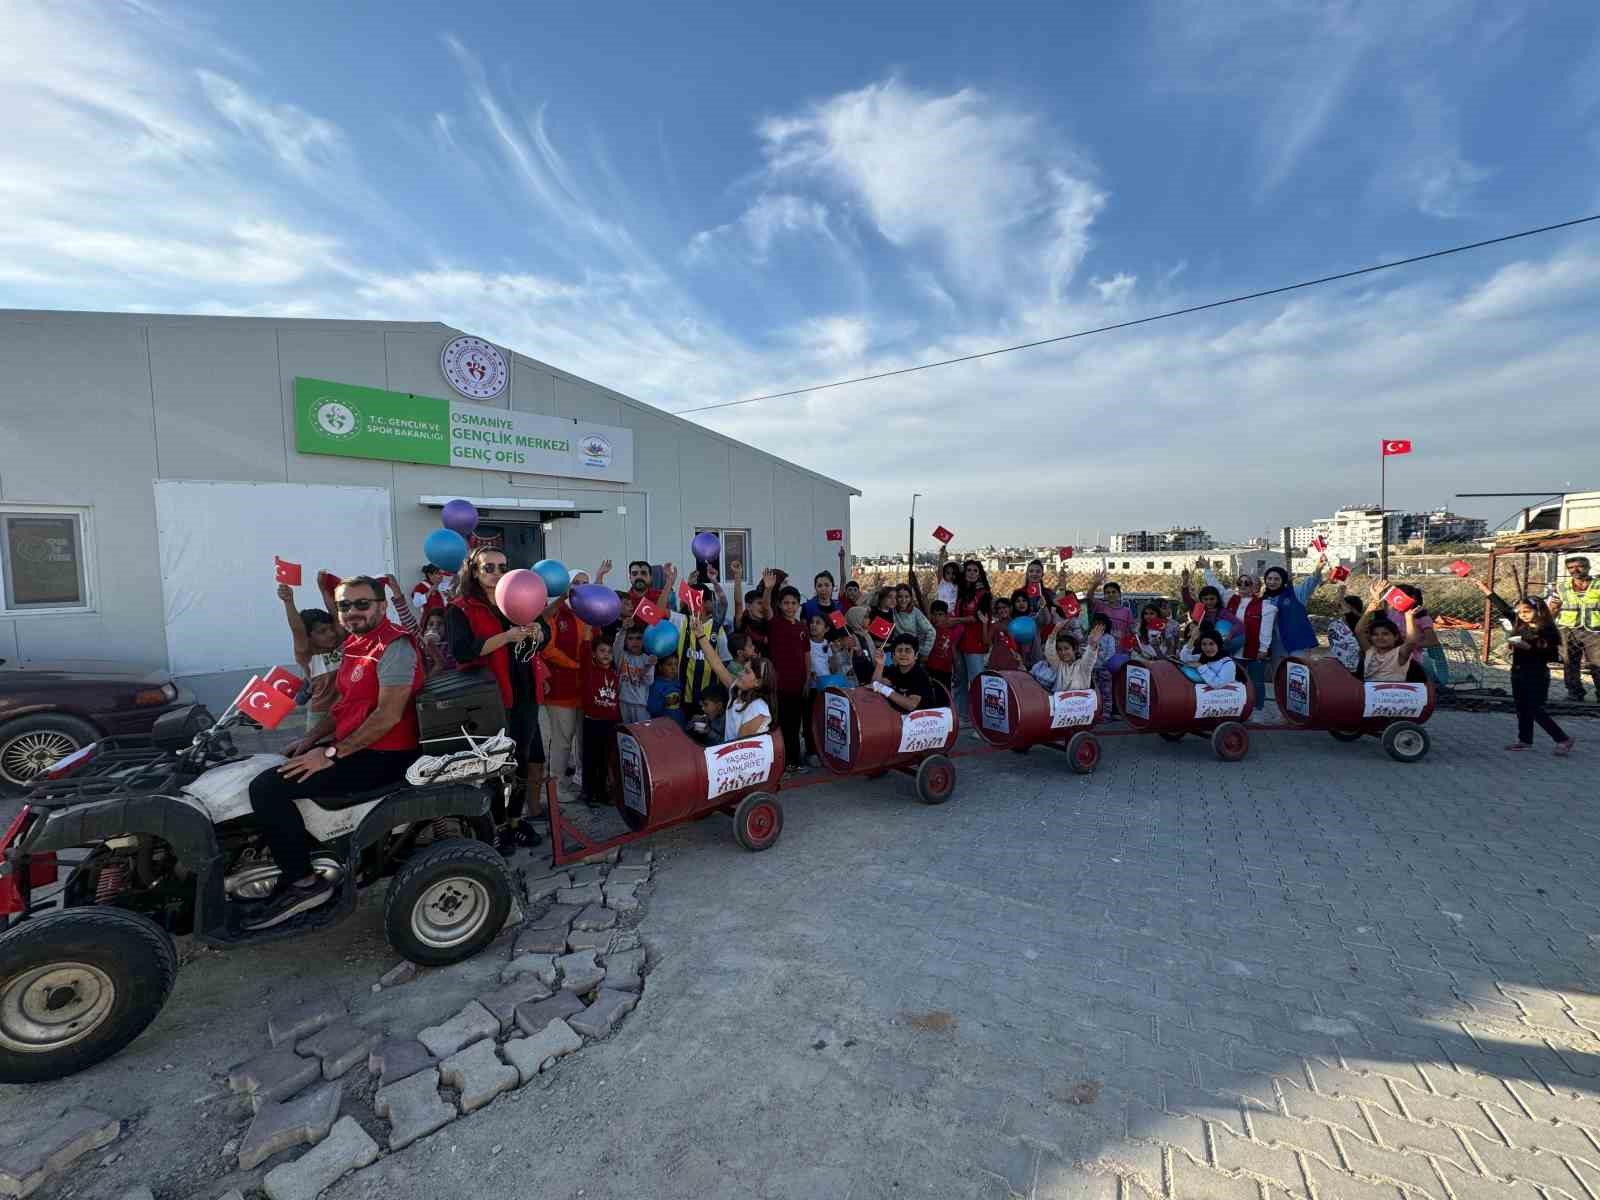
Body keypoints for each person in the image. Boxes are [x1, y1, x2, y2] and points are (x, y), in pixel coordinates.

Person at [246, 576, 423, 928]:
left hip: (384, 754)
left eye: (362, 604)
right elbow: (345, 706)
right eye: (344, 606)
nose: (352, 612)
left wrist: (329, 754)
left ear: (382, 606)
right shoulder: (357, 644)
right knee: (267, 769)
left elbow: (387, 715)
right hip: (356, 747)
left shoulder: (394, 647)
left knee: (267, 788)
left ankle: (304, 883)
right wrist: (311, 738)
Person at [446, 546, 544, 849]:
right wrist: (506, 637)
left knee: (522, 760)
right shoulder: (460, 608)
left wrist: (541, 633)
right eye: (489, 567)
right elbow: (462, 651)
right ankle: (498, 826)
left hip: (525, 692)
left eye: (503, 567)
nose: (497, 573)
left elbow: (543, 635)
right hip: (491, 698)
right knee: (494, 766)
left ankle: (515, 820)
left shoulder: (517, 597)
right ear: (474, 571)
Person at [1473, 577, 1575, 754]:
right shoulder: (1520, 624)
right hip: (1518, 671)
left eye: (1527, 611)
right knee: (1521, 707)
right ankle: (1524, 740)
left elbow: (1551, 655)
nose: (1523, 615)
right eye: (1520, 612)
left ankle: (1563, 739)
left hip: (1536, 673)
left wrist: (1529, 647)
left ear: (1538, 610)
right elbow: (1504, 608)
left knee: (1534, 707)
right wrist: (1485, 589)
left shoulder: (1547, 630)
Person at [754, 573, 810, 772]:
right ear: (780, 604)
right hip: (779, 686)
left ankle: (795, 760)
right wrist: (769, 588)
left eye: (793, 603)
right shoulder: (775, 623)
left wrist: (807, 680)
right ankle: (783, 762)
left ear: (798, 605)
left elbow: (806, 655)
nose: (790, 606)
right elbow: (765, 607)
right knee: (781, 724)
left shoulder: (803, 627)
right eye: (786, 603)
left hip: (799, 685)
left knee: (796, 725)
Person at [276, 582, 343, 732]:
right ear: (308, 637)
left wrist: (323, 588)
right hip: (321, 716)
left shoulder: (339, 644)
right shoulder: (307, 655)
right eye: (322, 631)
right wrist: (288, 601)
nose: (331, 633)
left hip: (348, 710)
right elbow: (297, 630)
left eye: (331, 629)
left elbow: (336, 615)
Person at [694, 624, 777, 742]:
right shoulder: (736, 692)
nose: (740, 673)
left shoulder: (757, 709)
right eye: (743, 669)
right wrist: (701, 635)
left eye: (746, 672)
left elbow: (738, 747)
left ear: (757, 682)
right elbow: (716, 663)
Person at [578, 638, 620, 806]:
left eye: (609, 652)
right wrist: (588, 632)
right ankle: (588, 793)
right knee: (590, 759)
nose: (606, 655)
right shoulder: (589, 670)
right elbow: (584, 650)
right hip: (592, 722)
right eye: (602, 651)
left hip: (609, 723)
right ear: (594, 654)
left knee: (604, 760)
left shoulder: (615, 675)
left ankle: (602, 792)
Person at [1354, 578, 1420, 682]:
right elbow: (1358, 631)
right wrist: (1369, 610)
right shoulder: (1370, 651)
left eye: (1385, 634)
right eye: (1375, 634)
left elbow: (1411, 641)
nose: (1380, 637)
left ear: (1396, 637)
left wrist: (1408, 616)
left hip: (1393, 694)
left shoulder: (1399, 654)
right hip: (1372, 694)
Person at [1555, 555, 1600, 701]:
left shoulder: (1598, 584)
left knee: (1597, 663)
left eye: (1579, 566)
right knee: (1570, 663)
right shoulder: (1561, 587)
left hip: (1594, 630)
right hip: (1568, 630)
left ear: (1588, 567)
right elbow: (1553, 606)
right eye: (1570, 567)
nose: (1575, 570)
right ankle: (1575, 693)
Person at [952, 560, 992, 718]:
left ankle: (981, 719)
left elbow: (978, 618)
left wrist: (955, 621)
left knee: (977, 682)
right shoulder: (961, 592)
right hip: (960, 642)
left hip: (975, 644)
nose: (971, 573)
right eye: (968, 570)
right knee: (960, 681)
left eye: (975, 570)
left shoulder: (984, 594)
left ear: (980, 573)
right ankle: (962, 716)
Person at [871, 634, 935, 712]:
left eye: (908, 650)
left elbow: (911, 705)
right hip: (898, 716)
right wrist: (880, 664)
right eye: (899, 650)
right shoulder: (895, 670)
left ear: (916, 655)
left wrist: (884, 689)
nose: (903, 654)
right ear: (893, 655)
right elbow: (875, 684)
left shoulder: (920, 674)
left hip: (922, 719)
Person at [614, 624, 655, 725]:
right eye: (630, 638)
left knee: (642, 734)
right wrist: (623, 630)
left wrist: (648, 666)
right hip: (623, 702)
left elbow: (649, 681)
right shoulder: (622, 656)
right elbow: (617, 645)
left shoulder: (647, 659)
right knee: (625, 733)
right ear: (625, 641)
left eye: (638, 638)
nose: (635, 642)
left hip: (640, 705)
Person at [1041, 625, 1100, 692]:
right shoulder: (1059, 665)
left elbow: (1090, 657)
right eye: (1060, 649)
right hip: (1060, 701)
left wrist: (1093, 645)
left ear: (1075, 649)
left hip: (1081, 701)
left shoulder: (1083, 665)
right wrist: (1054, 632)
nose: (1063, 652)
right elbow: (1049, 653)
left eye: (1066, 648)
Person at [892, 583, 936, 658]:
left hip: (911, 654)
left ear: (911, 598)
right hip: (896, 653)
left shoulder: (915, 612)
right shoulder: (891, 611)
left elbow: (931, 631)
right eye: (900, 596)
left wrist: (924, 651)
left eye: (907, 597)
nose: (903, 600)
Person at [925, 600, 957, 696]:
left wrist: (956, 669)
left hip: (946, 671)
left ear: (946, 616)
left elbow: (953, 650)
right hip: (929, 669)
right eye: (934, 614)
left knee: (944, 696)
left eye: (940, 614)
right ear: (930, 615)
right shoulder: (927, 630)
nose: (937, 618)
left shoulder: (951, 631)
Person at [1326, 595, 1363, 672]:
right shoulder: (1334, 625)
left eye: (1343, 607)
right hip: (1339, 669)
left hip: (1359, 669)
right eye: (1340, 607)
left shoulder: (1363, 625)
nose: (1342, 610)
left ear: (1354, 609)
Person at [646, 653, 684, 727]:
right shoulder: (656, 685)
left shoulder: (678, 682)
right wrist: (665, 702)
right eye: (669, 665)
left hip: (678, 722)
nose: (673, 668)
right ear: (660, 667)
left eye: (676, 665)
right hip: (663, 725)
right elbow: (651, 708)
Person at [986, 595, 1022, 672]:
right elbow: (987, 642)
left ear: (1010, 608)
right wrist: (985, 624)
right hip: (997, 660)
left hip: (1012, 660)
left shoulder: (1016, 623)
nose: (1002, 610)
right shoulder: (995, 625)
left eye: (1005, 607)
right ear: (996, 611)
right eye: (999, 608)